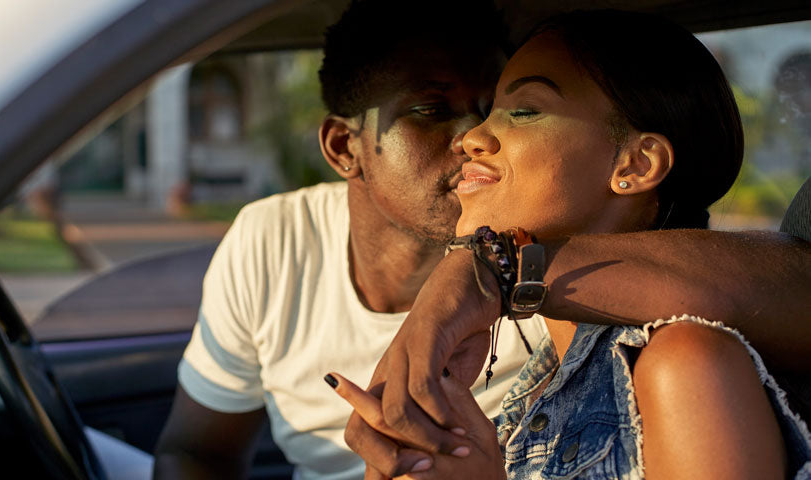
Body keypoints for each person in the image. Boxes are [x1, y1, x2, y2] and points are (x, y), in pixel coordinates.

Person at [154, 1, 811, 479]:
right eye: (441, 111)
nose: (470, 135)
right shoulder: (537, 379)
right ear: (341, 147)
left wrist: (489, 272)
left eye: (520, 110)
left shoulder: (681, 365)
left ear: (634, 165)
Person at [153, 2, 539, 479]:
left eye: (497, 110)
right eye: (432, 110)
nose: (480, 137)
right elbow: (196, 453)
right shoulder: (274, 241)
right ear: (343, 148)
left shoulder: (548, 255)